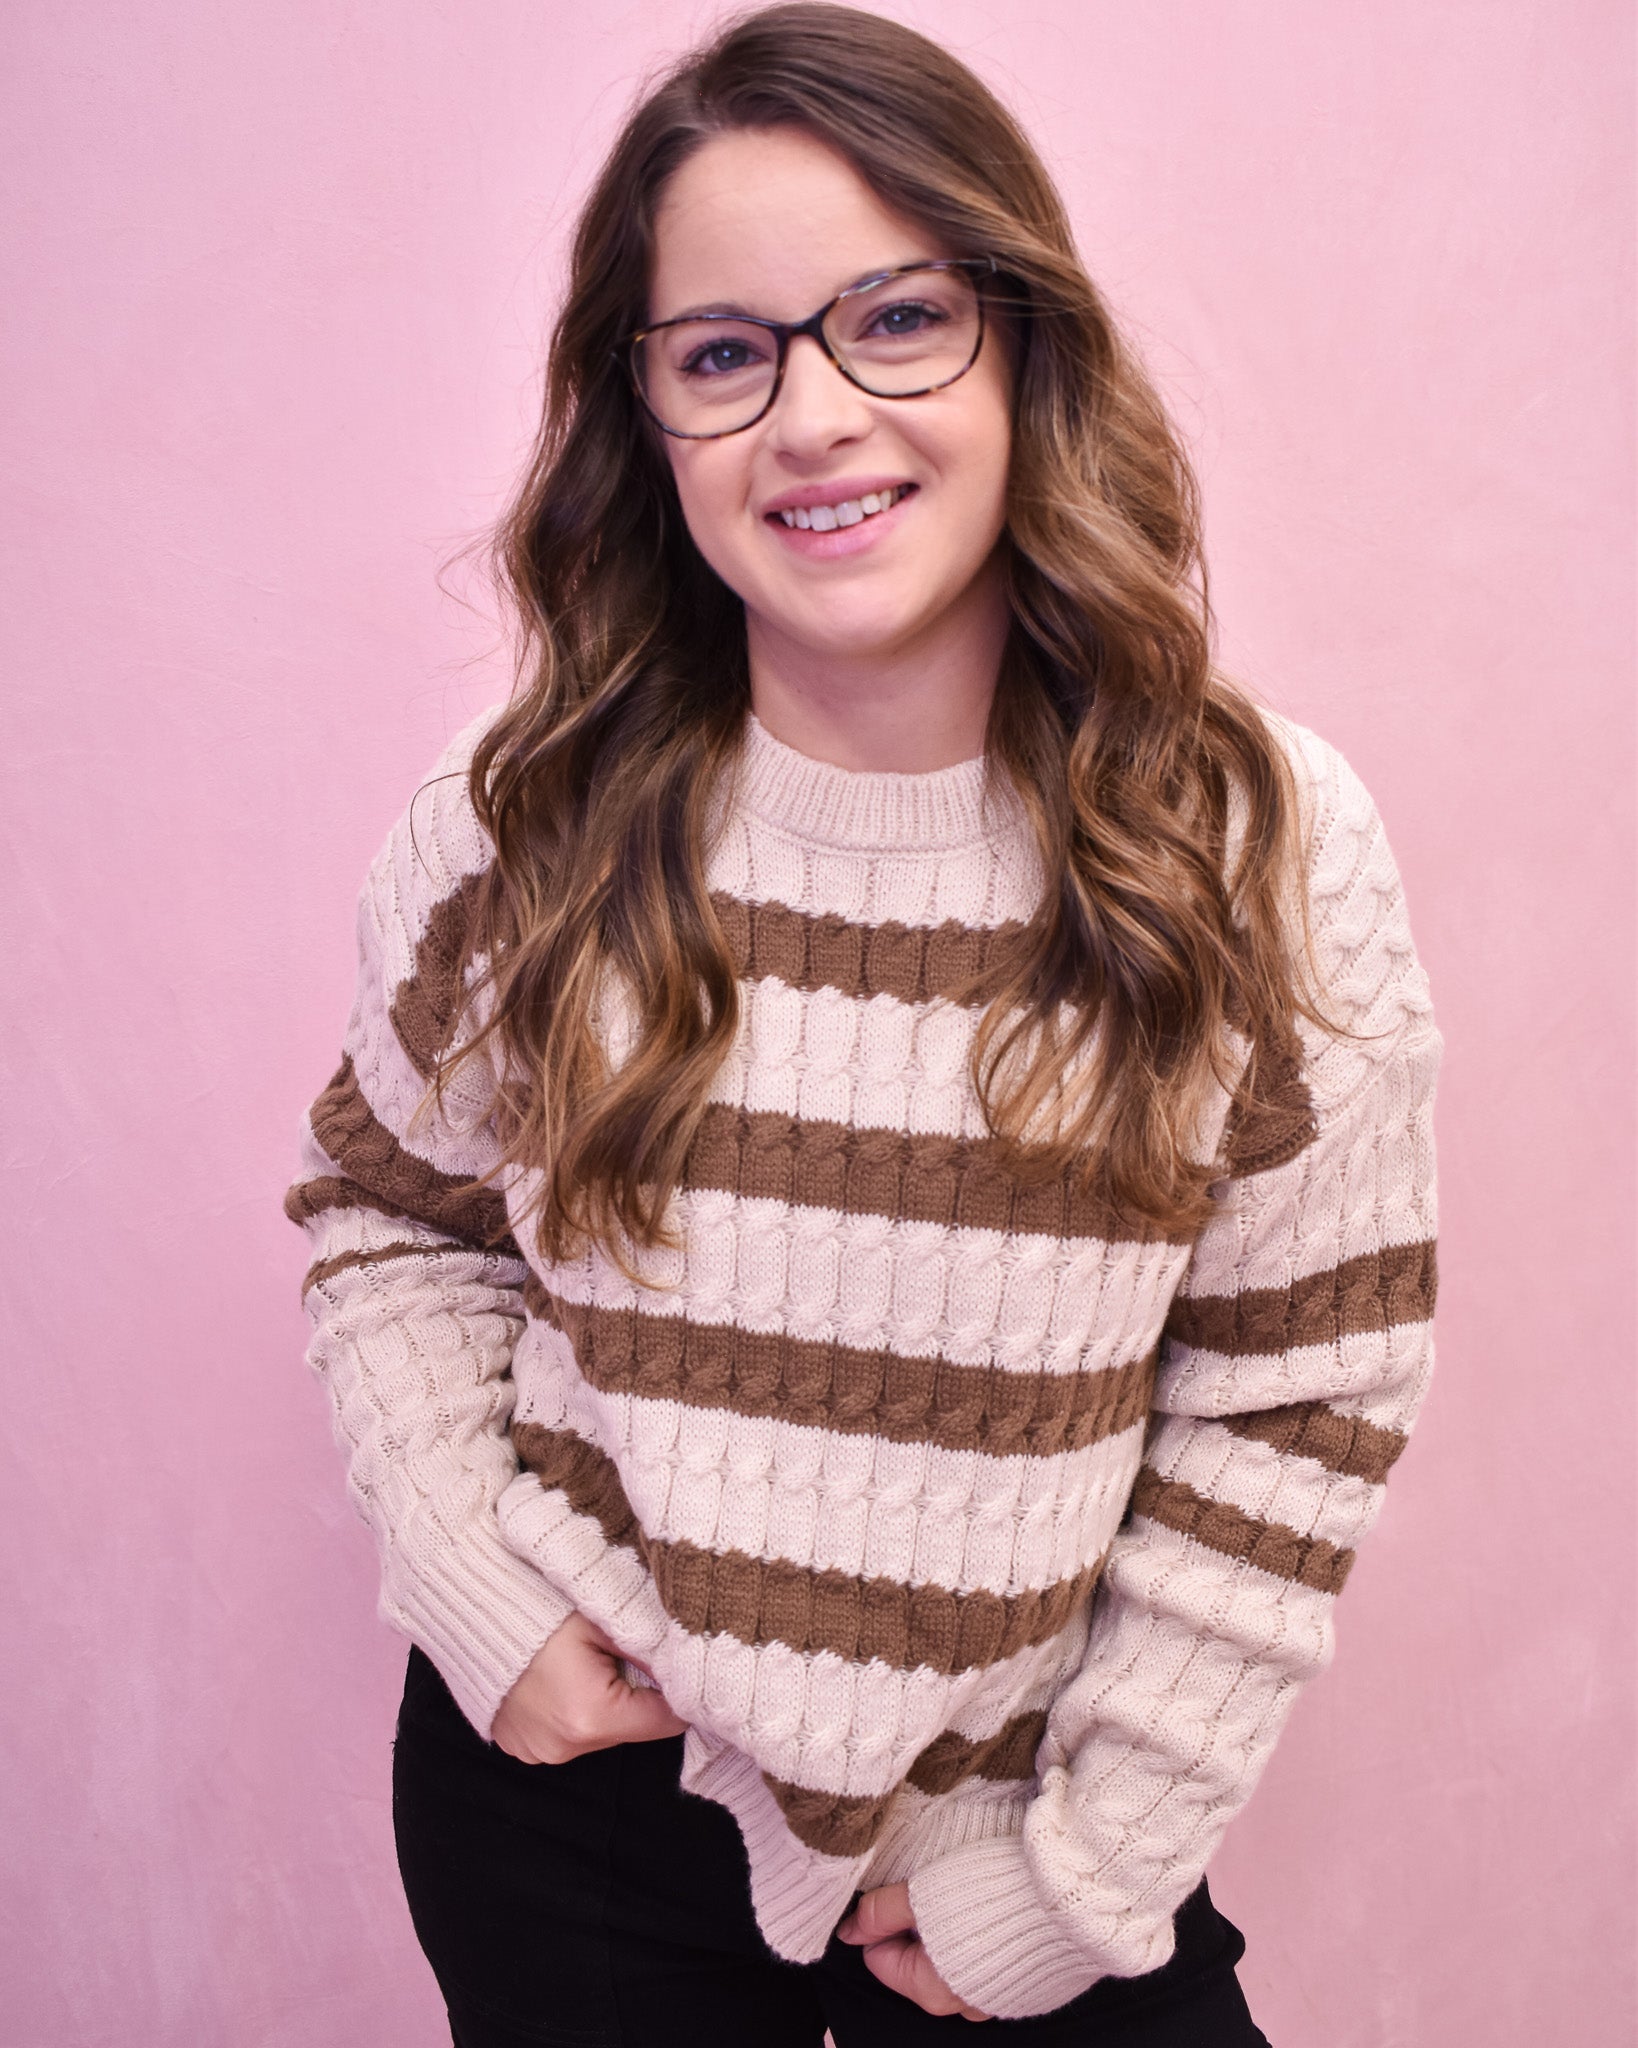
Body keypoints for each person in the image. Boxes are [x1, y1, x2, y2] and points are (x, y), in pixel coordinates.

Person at [286, 6, 1440, 2041]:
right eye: (723, 354)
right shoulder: (522, 818)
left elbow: (1299, 1393)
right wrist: (471, 1578)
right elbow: (391, 1215)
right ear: (645, 414)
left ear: (1021, 349)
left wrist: (1087, 1874)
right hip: (579, 1823)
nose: (812, 417)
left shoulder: (1253, 841)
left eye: (896, 320)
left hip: (1017, 1839)